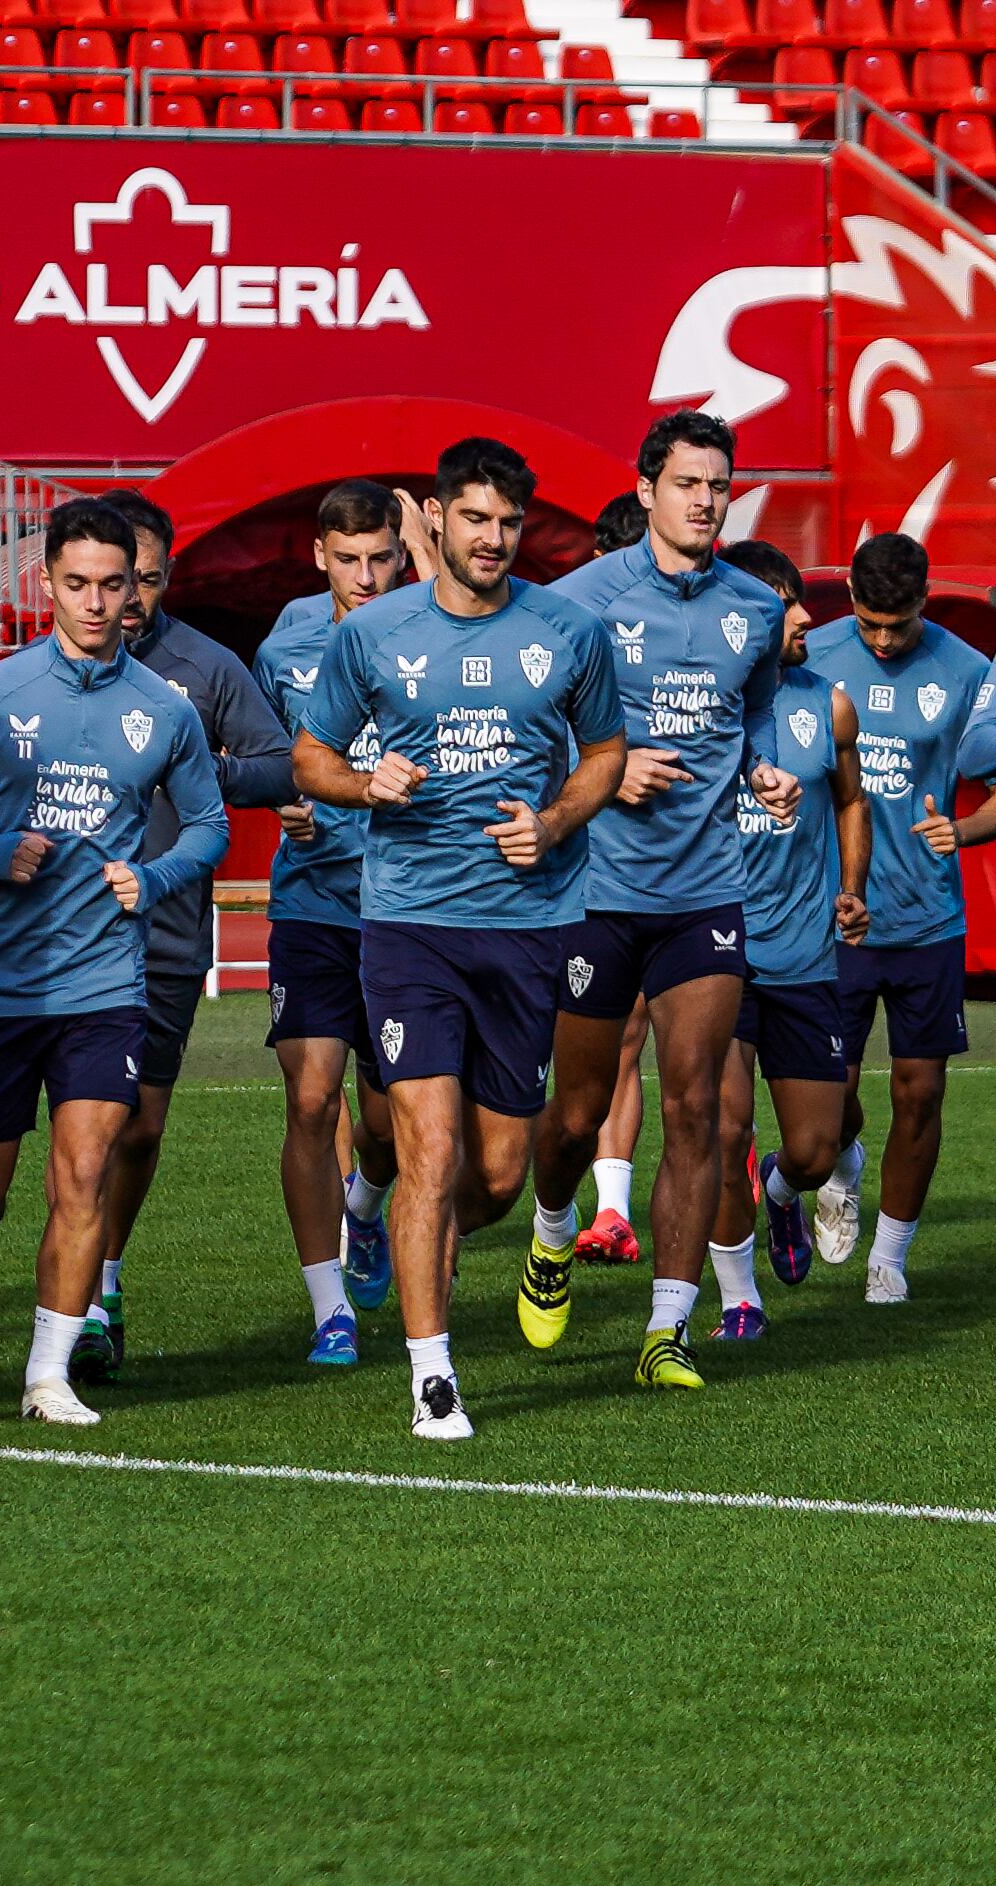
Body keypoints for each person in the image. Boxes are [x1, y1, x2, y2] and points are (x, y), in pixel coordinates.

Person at [290, 435, 627, 1440]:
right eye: (473, 519)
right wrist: (363, 783)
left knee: (492, 1175)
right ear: (430, 520)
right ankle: (432, 1378)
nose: (492, 538)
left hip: (527, 928)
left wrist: (557, 820)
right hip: (408, 928)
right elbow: (308, 757)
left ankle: (404, 1230)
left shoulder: (568, 631)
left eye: (508, 522)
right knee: (428, 1152)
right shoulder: (373, 633)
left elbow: (606, 751)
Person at [0, 498, 225, 1426]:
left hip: (103, 982)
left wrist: (156, 876)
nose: (94, 602)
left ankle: (48, 1375)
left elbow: (209, 823)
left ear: (136, 589)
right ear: (45, 582)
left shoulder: (164, 709)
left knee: (84, 1171)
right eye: (76, 583)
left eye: (112, 584)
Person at [519, 411, 793, 1392]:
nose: (704, 500)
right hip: (596, 891)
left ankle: (665, 1330)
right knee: (575, 1110)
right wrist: (607, 765)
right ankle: (552, 1234)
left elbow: (749, 711)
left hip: (706, 892)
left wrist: (762, 770)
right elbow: (524, 722)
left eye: (718, 485)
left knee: (699, 1107)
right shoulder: (573, 602)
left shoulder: (752, 610)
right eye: (686, 483)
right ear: (644, 491)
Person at [62, 488, 302, 1385]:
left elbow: (280, 762)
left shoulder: (202, 667)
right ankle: (10, 1263)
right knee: (57, 1136)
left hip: (162, 934)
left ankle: (101, 1287)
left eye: (145, 581)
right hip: (53, 935)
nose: (126, 603)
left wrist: (207, 760)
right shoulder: (36, 676)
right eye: (112, 583)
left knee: (138, 1125)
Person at [805, 530, 996, 1303]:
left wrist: (962, 831)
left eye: (895, 625)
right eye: (868, 622)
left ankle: (889, 1257)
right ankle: (841, 1161)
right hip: (829, 919)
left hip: (928, 919)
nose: (880, 638)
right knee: (826, 1103)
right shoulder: (810, 655)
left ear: (924, 602)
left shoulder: (971, 673)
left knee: (921, 1092)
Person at [252, 478, 415, 1364]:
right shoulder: (288, 641)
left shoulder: (435, 626)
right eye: (346, 559)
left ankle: (364, 1206)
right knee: (312, 1100)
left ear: (400, 550)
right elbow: (268, 753)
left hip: (410, 906)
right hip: (314, 902)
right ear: (320, 555)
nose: (364, 575)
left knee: (389, 1127)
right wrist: (286, 795)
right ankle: (331, 1315)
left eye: (379, 556)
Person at [706, 536, 864, 1338]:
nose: (805, 617)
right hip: (717, 954)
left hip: (805, 957)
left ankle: (779, 1194)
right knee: (722, 1127)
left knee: (812, 1150)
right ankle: (739, 1295)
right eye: (785, 605)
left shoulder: (828, 704)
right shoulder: (701, 706)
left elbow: (852, 801)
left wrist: (851, 886)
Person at [571, 474, 660, 1265]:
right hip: (565, 878)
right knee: (568, 1061)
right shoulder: (568, 627)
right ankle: (553, 1210)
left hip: (664, 881)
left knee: (637, 1043)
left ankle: (611, 1209)